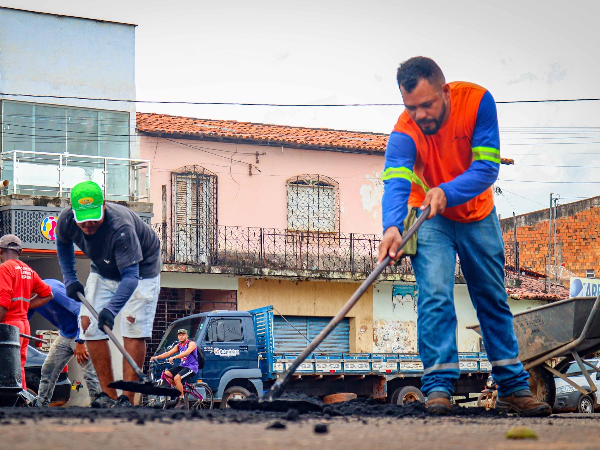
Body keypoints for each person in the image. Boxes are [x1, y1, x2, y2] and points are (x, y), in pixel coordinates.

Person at [377, 56, 551, 417]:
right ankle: (438, 386)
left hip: (476, 212)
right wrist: (392, 227)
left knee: (491, 297)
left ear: (445, 91)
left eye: (427, 104)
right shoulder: (403, 130)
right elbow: (395, 183)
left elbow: (486, 169)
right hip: (429, 217)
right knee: (435, 296)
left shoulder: (477, 102)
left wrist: (448, 192)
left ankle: (513, 388)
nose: (420, 114)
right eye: (412, 107)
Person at [56, 180, 162, 408]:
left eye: (94, 217)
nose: (88, 225)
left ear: (103, 205)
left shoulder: (120, 227)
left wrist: (110, 310)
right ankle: (108, 395)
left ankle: (126, 398)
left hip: (141, 269)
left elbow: (131, 277)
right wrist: (70, 278)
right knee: (88, 324)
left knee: (133, 325)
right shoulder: (66, 220)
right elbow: (63, 244)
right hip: (103, 268)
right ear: (73, 212)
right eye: (83, 220)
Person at [28, 279, 101, 407]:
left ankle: (99, 406)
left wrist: (80, 341)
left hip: (83, 333)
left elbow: (83, 312)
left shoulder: (54, 290)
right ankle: (41, 405)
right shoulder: (30, 298)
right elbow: (23, 318)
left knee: (89, 372)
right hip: (65, 334)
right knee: (48, 370)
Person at [0, 235, 53, 390]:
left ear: (1, 251)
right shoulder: (28, 270)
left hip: (9, 325)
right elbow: (48, 294)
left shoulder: (5, 268)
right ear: (20, 252)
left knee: (6, 368)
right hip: (23, 325)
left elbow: (3, 302)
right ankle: (21, 404)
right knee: (19, 367)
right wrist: (24, 304)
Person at [150, 328, 200, 409]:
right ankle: (179, 390)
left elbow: (186, 352)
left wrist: (175, 357)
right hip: (182, 366)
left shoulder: (191, 344)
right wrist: (156, 357)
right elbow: (168, 353)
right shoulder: (179, 345)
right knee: (166, 375)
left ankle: (181, 399)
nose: (181, 337)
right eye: (179, 335)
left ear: (187, 336)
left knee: (177, 378)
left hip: (191, 367)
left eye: (183, 335)